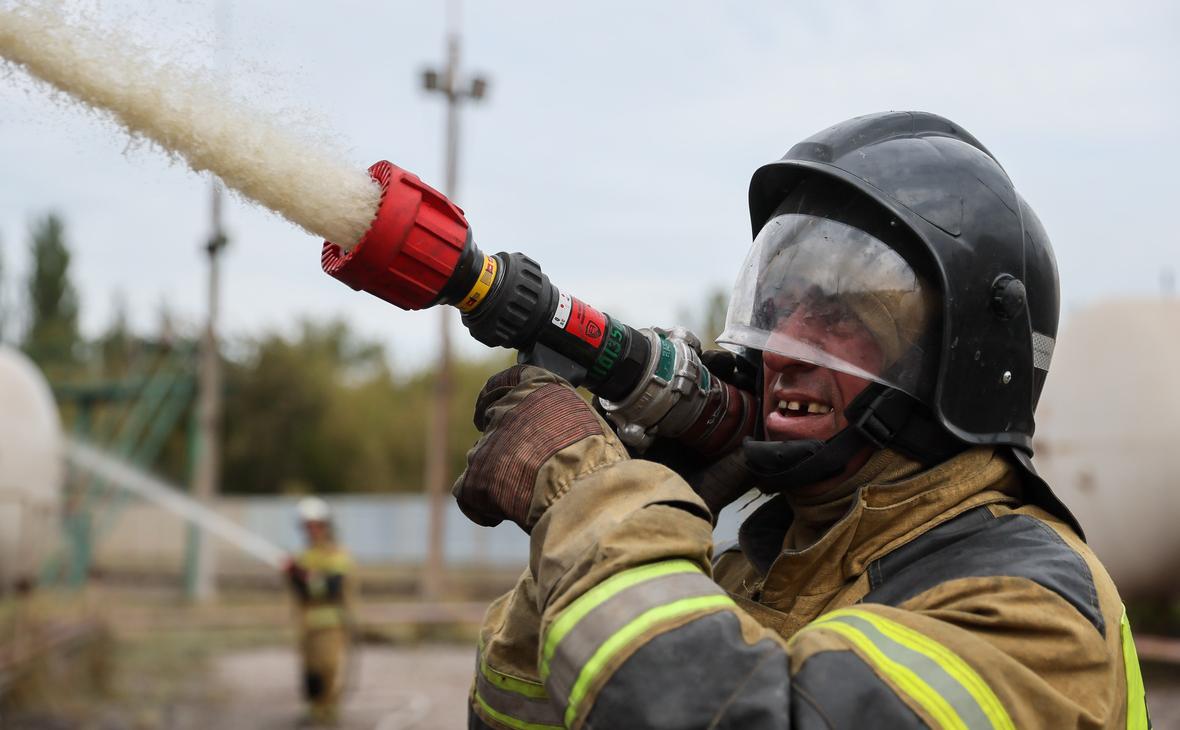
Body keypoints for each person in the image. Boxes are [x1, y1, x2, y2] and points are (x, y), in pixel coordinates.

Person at [451, 111, 1150, 729]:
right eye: (777, 308)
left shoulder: (1034, 608)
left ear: (960, 365)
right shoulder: (749, 577)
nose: (784, 344)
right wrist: (631, 506)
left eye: (838, 314)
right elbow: (512, 711)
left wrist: (590, 495)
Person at [283, 496, 354, 726]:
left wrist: (303, 576)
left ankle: (328, 711)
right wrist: (293, 574)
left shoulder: (337, 555)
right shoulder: (303, 556)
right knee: (310, 672)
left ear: (326, 526)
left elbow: (331, 587)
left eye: (316, 525)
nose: (312, 531)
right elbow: (301, 592)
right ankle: (314, 709)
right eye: (307, 526)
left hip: (331, 625)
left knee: (328, 669)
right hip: (307, 624)